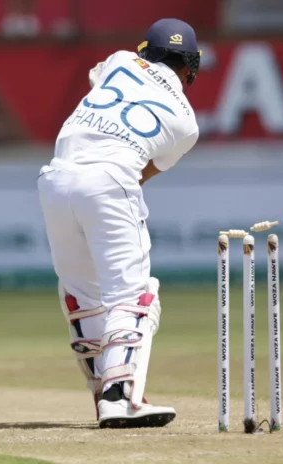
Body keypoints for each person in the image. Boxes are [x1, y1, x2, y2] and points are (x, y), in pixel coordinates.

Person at [37, 18, 201, 429]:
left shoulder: (120, 60)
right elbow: (141, 173)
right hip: (109, 179)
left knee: (82, 296)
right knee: (134, 296)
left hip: (55, 177)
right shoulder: (187, 124)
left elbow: (99, 87)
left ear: (146, 51)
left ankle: (104, 391)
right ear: (191, 67)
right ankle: (120, 396)